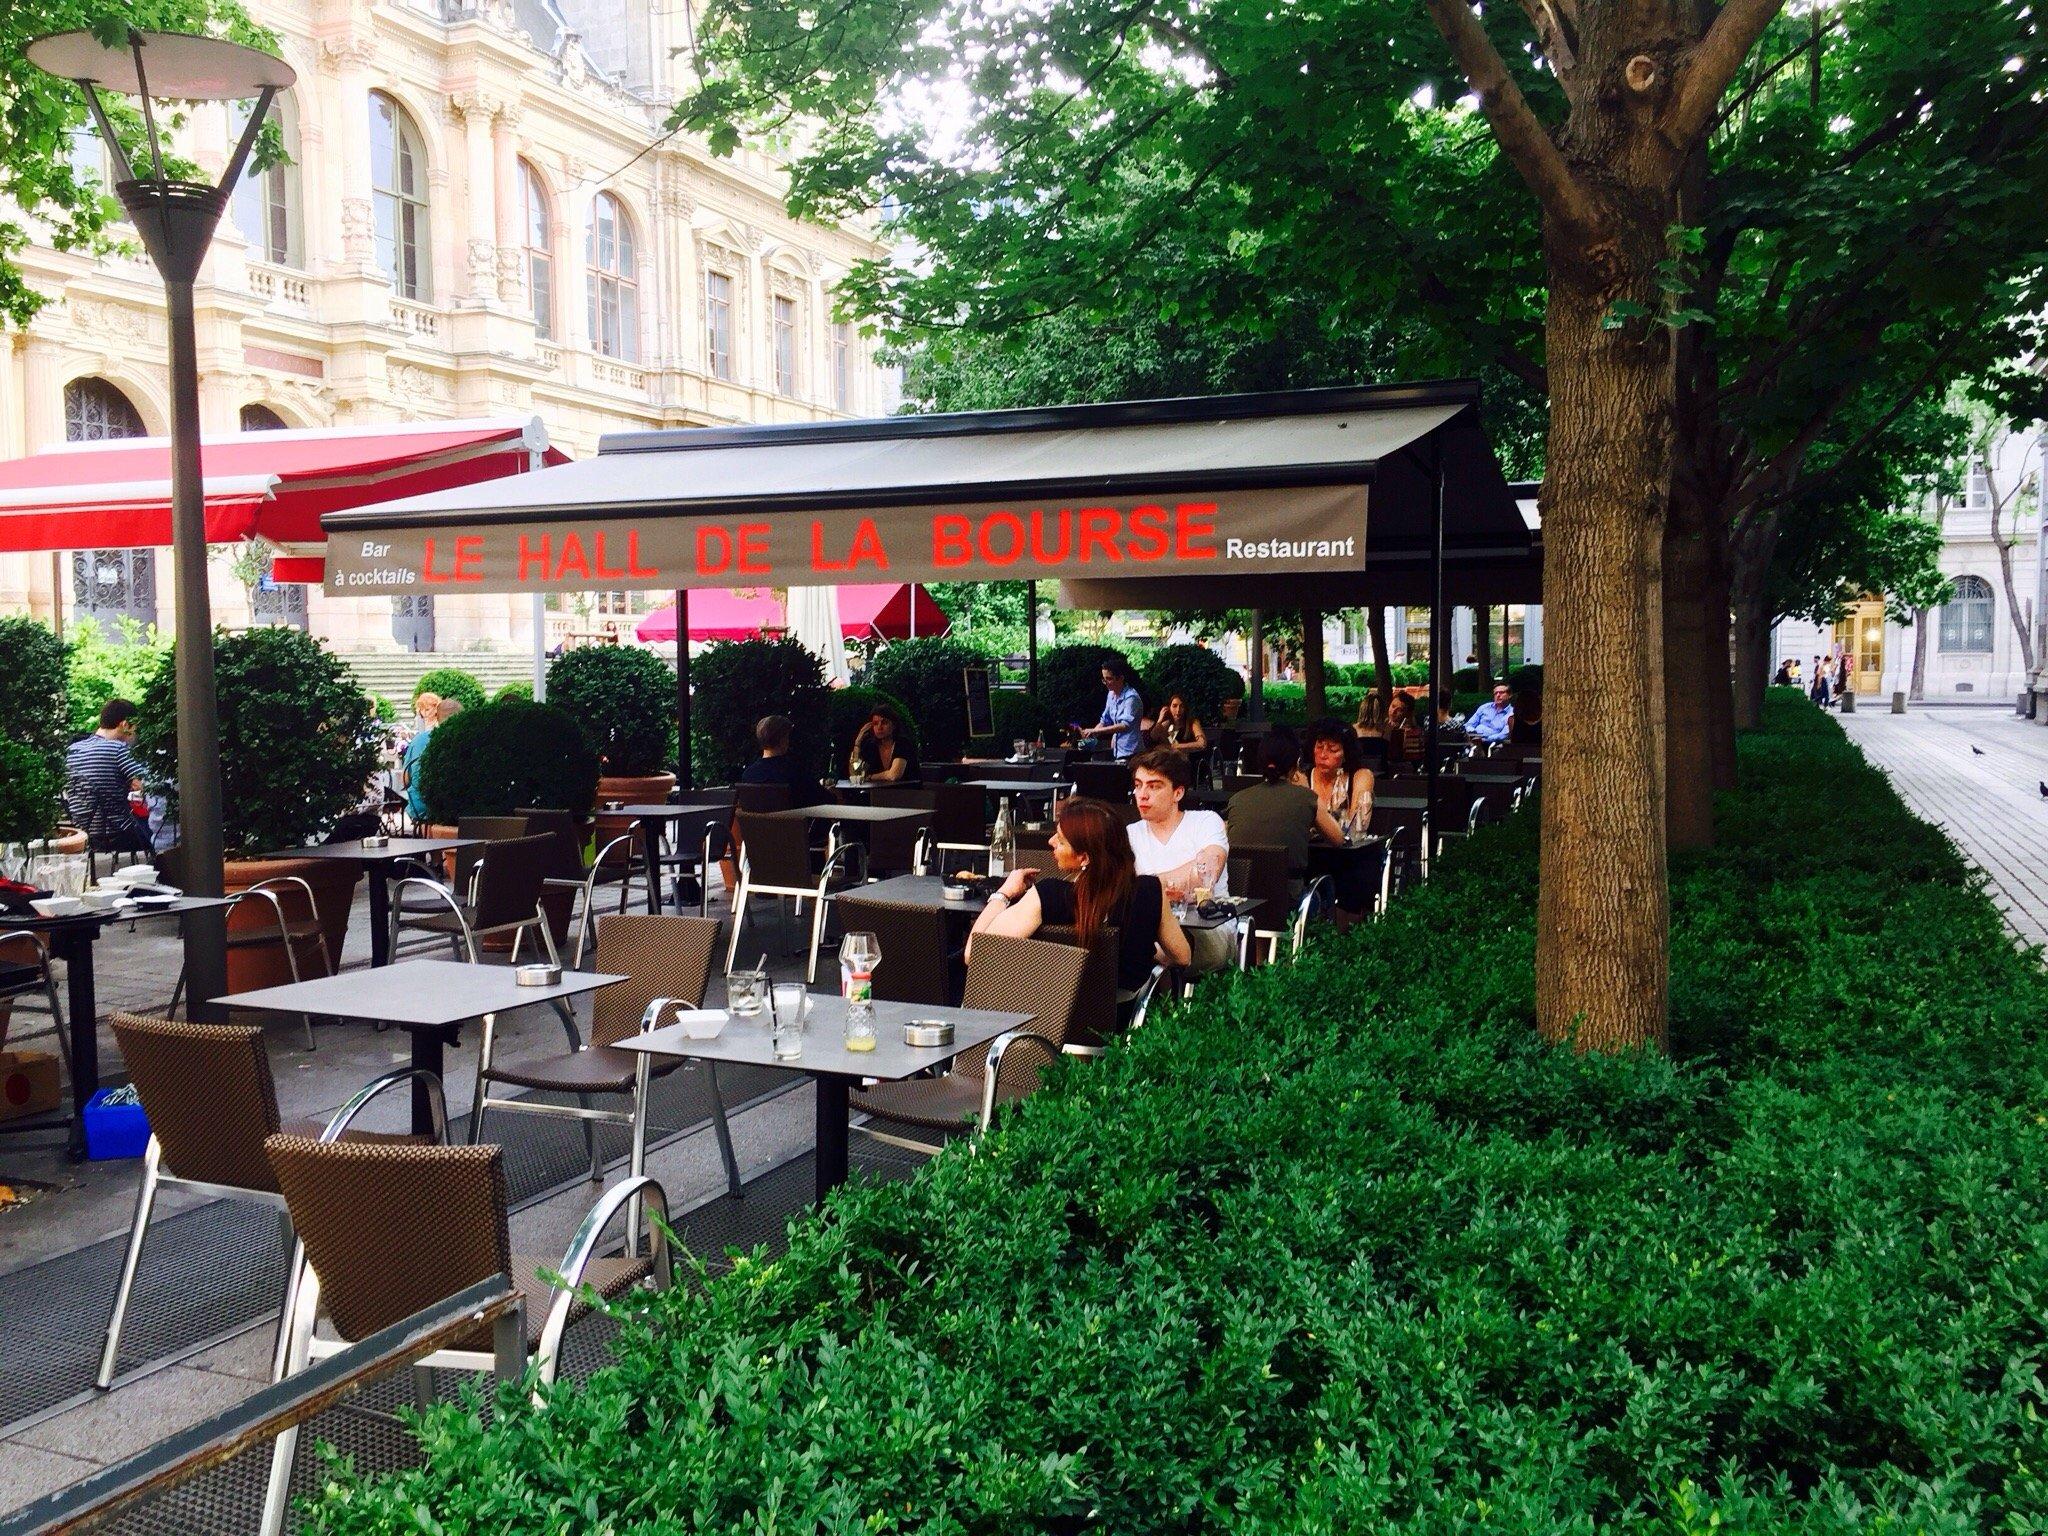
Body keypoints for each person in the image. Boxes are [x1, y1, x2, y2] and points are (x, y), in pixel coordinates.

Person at [973, 796, 1189, 994]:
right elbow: (1183, 956)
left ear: (1084, 858)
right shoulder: (1149, 890)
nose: (1051, 842)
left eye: (1061, 840)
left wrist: (1003, 894)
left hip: (1051, 1018)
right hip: (1124, 1025)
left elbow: (975, 954)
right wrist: (1144, 947)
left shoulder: (1050, 895)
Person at [1127, 749, 1233, 972]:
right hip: (1148, 934)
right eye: (1138, 785)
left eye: (1154, 786)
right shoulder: (1128, 834)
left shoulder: (1205, 822)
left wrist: (1141, 889)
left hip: (1206, 933)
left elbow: (1204, 874)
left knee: (1128, 944)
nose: (1142, 794)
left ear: (1178, 793)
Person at [1226, 731, 1344, 882]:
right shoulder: (1307, 798)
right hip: (1287, 896)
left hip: (1242, 894)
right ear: (1296, 762)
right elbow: (1338, 839)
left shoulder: (1237, 799)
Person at [64, 699, 152, 852]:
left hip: (84, 833)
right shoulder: (118, 749)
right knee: (153, 831)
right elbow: (145, 785)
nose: (136, 736)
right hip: (116, 832)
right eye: (135, 730)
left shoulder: (72, 750)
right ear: (124, 725)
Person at [1294, 718, 1374, 830]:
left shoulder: (1361, 776)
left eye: (1333, 750)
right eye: (1319, 747)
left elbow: (1358, 826)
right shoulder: (1301, 777)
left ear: (1346, 754)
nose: (1323, 755)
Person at [740, 714, 834, 809]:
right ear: (783, 740)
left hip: (760, 824)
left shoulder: (748, 775)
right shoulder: (794, 772)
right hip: (799, 823)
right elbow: (827, 800)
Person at [1078, 657, 1146, 761]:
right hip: (1118, 752)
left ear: (1121, 678)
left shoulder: (1131, 698)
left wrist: (1097, 731)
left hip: (1133, 753)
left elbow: (1124, 725)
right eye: (1104, 679)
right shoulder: (1111, 695)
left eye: (1109, 679)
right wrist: (1091, 734)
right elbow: (1105, 720)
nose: (1106, 683)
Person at [398, 692, 440, 823]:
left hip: (421, 807)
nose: (425, 713)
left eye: (428, 709)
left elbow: (405, 779)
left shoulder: (421, 739)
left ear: (436, 708)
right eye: (422, 710)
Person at [850, 702, 918, 783]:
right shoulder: (871, 746)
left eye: (884, 722)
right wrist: (857, 743)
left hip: (908, 792)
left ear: (894, 726)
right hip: (879, 794)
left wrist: (871, 776)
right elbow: (855, 775)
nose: (879, 727)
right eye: (875, 723)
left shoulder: (902, 743)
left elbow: (894, 775)